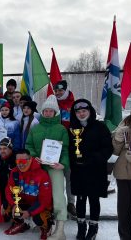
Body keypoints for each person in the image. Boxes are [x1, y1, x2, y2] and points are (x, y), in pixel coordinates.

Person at [26, 95, 69, 240]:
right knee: (41, 196)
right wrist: (33, 156)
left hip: (55, 168)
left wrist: (62, 163)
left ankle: (60, 230)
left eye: (51, 111)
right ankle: (46, 225)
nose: (48, 113)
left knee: (57, 196)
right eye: (46, 111)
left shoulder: (61, 129)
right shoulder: (35, 128)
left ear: (55, 112)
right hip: (39, 167)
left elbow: (65, 149)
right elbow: (29, 145)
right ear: (42, 112)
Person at [69, 99, 113, 240]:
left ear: (90, 111)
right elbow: (68, 148)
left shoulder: (100, 127)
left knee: (94, 199)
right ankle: (81, 227)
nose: (81, 114)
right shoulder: (71, 128)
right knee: (80, 200)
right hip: (78, 171)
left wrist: (94, 158)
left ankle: (93, 228)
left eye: (84, 111)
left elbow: (108, 148)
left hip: (95, 170)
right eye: (78, 112)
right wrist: (72, 159)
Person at [4, 149, 53, 239]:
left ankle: (46, 226)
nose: (20, 164)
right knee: (7, 206)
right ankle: (21, 223)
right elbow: (8, 191)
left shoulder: (42, 174)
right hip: (24, 201)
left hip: (38, 204)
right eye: (18, 161)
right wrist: (14, 205)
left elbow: (45, 200)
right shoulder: (14, 172)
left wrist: (29, 212)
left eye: (23, 161)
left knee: (38, 218)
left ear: (30, 159)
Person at [112, 100, 131, 240]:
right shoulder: (124, 126)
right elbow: (115, 152)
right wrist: (117, 139)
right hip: (122, 174)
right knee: (123, 210)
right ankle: (124, 237)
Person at [53, 80, 77, 218]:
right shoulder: (53, 104)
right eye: (56, 91)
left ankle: (71, 203)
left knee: (69, 176)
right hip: (55, 146)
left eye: (61, 90)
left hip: (70, 145)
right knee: (55, 177)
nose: (58, 93)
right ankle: (58, 204)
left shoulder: (73, 105)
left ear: (66, 90)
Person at [0, 137, 16, 222]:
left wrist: (6, 202)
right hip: (2, 195)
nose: (2, 151)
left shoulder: (16, 162)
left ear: (10, 149)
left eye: (5, 148)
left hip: (14, 195)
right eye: (0, 149)